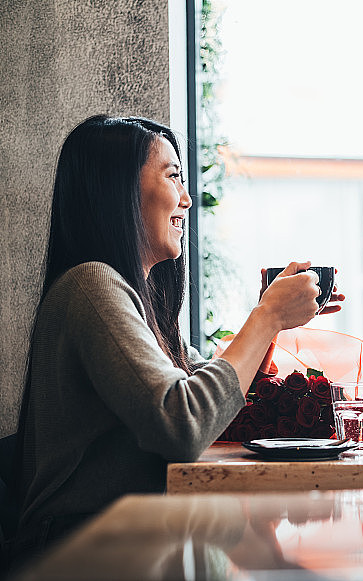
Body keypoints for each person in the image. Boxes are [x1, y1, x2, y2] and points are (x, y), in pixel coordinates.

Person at [10, 115, 343, 563]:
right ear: (119, 191)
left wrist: (274, 322)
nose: (187, 199)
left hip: (133, 543)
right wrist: (265, 318)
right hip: (81, 553)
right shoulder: (91, 287)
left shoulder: (141, 306)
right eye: (174, 177)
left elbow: (212, 404)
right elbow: (183, 424)